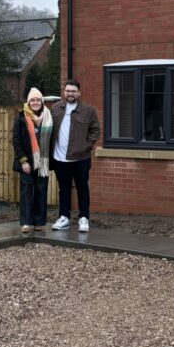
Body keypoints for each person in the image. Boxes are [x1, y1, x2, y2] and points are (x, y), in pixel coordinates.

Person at [50, 79, 100, 232]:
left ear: (79, 93)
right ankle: (64, 217)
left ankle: (83, 218)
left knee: (82, 188)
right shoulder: (56, 108)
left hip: (81, 158)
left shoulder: (88, 110)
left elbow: (95, 130)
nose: (70, 93)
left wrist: (87, 145)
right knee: (63, 189)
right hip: (60, 158)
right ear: (64, 92)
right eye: (67, 91)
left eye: (73, 91)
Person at [12, 88, 53, 233]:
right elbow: (16, 141)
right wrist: (23, 161)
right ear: (28, 102)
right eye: (32, 100)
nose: (35, 102)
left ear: (42, 102)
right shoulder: (21, 118)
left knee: (41, 191)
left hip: (43, 161)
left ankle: (39, 222)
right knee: (26, 192)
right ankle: (26, 223)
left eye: (38, 100)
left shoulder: (48, 117)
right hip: (27, 163)